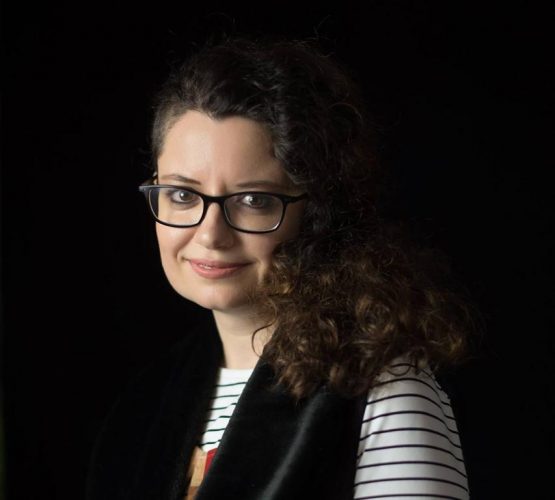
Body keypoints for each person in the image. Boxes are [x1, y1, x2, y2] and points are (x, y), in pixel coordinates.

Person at [86, 35, 475, 500]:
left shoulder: (383, 392)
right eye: (183, 194)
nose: (210, 235)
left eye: (253, 200)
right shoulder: (143, 407)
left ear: (318, 213)